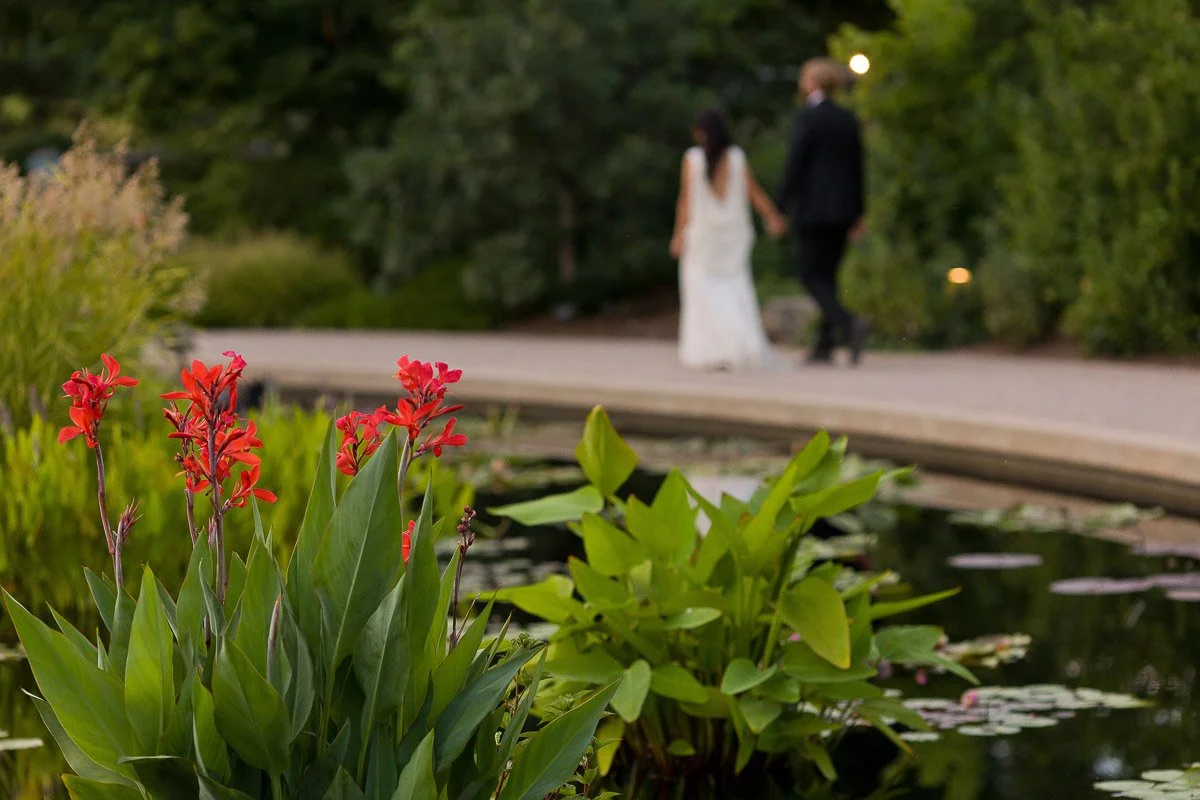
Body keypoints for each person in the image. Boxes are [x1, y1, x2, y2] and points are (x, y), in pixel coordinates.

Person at [670, 109, 788, 371]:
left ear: (701, 131)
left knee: (703, 292)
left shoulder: (692, 158)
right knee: (734, 290)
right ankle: (740, 345)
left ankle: (711, 350)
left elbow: (685, 201)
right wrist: (771, 216)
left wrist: (678, 234)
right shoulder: (736, 158)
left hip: (703, 237)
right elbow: (753, 192)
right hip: (732, 237)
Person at [775, 57, 871, 365]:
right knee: (827, 276)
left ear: (812, 83)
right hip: (843, 210)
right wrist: (858, 212)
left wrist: (779, 205)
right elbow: (858, 169)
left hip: (814, 210)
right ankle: (824, 345)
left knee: (809, 274)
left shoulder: (808, 119)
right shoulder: (847, 118)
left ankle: (848, 323)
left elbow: (796, 164)